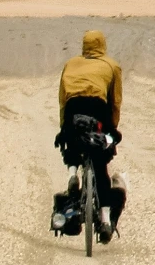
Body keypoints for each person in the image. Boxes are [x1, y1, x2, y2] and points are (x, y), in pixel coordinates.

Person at [53, 29, 127, 240]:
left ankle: (73, 174)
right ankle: (104, 219)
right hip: (98, 109)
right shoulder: (111, 65)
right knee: (99, 164)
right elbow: (115, 101)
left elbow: (63, 99)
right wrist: (112, 130)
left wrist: (63, 128)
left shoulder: (71, 64)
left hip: (72, 109)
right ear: (102, 44)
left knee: (73, 140)